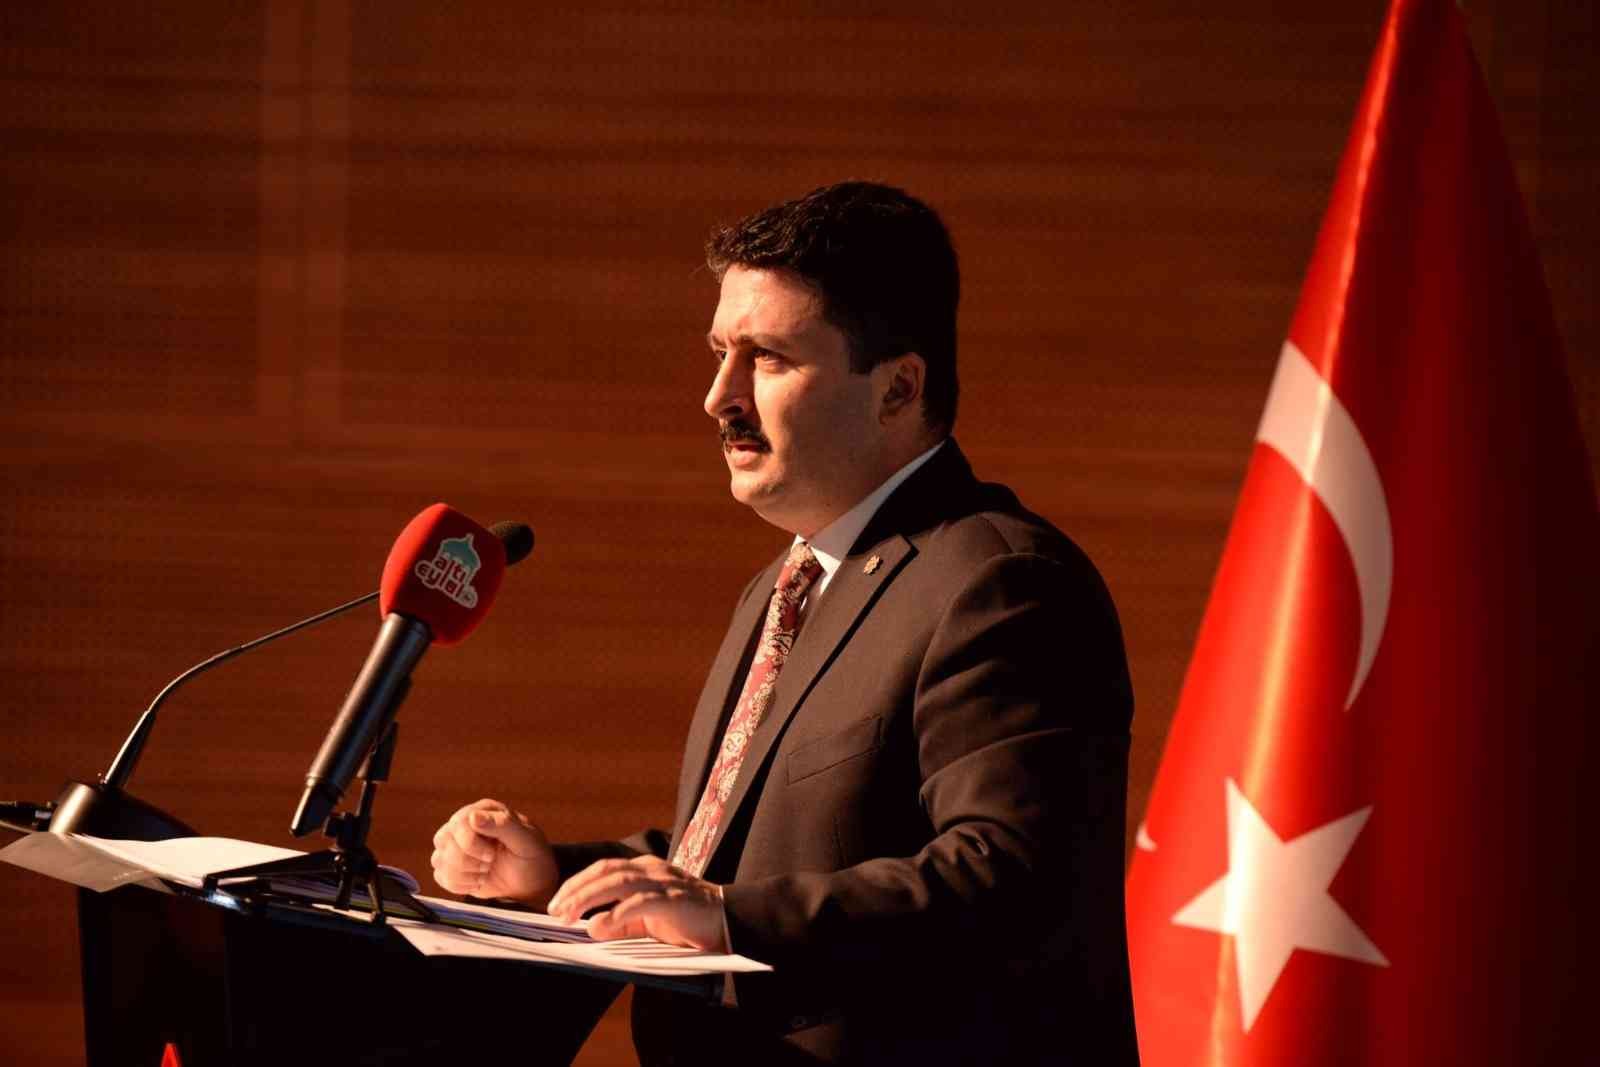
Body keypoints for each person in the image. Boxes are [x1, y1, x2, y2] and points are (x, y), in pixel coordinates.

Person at [430, 182, 1139, 1065]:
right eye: (719, 353)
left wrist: (730, 918)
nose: (717, 397)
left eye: (766, 358)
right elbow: (749, 851)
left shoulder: (1001, 581)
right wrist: (559, 875)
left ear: (898, 388)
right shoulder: (788, 582)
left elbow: (1011, 880)